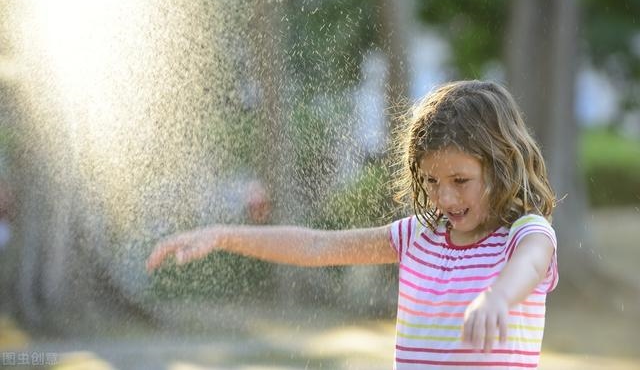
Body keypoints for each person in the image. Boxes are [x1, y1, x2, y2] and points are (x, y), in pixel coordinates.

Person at [147, 80, 558, 369]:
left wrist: (498, 297)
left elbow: (532, 263)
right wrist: (224, 235)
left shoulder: (522, 234)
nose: (444, 197)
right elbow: (314, 247)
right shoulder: (418, 237)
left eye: (460, 181)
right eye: (432, 181)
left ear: (501, 166)